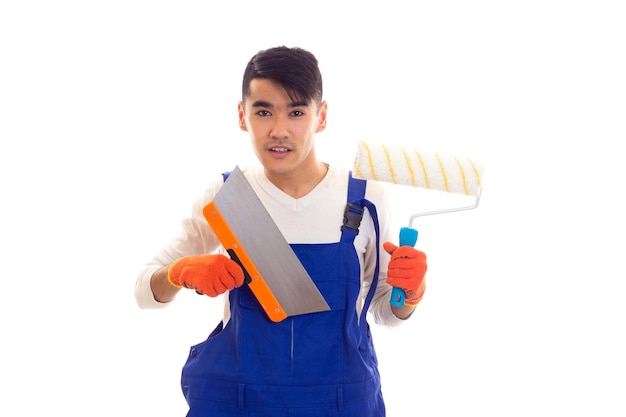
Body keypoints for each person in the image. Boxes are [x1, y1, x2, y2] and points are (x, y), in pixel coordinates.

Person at [135, 45, 427, 417]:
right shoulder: (227, 197)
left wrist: (412, 293)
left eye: (296, 112)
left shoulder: (366, 199)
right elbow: (144, 290)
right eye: (263, 111)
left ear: (321, 117)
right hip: (240, 403)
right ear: (242, 116)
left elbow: (386, 312)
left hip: (341, 405)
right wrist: (177, 273)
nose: (279, 130)